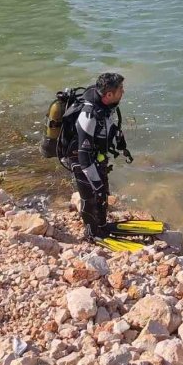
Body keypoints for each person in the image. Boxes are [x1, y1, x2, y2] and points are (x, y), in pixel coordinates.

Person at [71, 72, 132, 241]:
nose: (123, 92)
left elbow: (107, 124)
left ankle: (102, 226)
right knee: (90, 196)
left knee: (103, 193)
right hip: (79, 158)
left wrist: (120, 141)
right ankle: (91, 233)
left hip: (96, 156)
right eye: (121, 89)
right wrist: (95, 183)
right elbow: (83, 158)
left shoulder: (106, 105)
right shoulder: (88, 115)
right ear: (109, 94)